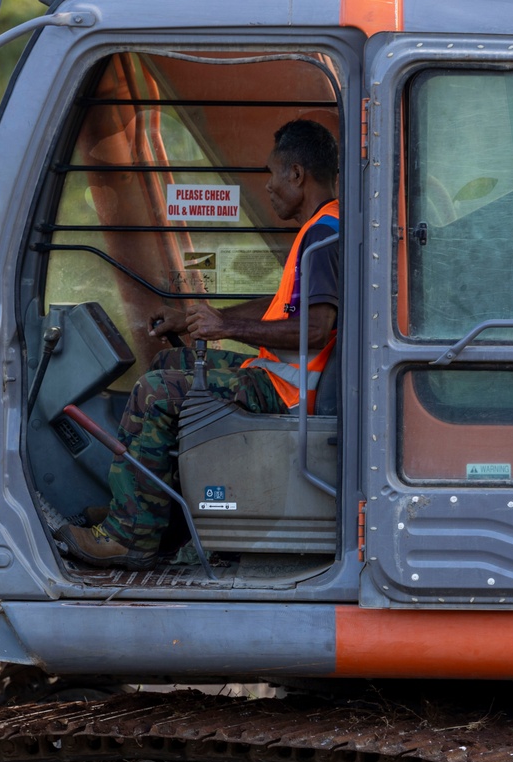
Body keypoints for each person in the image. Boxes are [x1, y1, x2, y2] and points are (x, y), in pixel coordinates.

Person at [56, 119, 340, 568]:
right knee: (169, 359)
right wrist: (200, 319)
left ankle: (130, 539)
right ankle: (140, 512)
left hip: (288, 393)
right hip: (279, 378)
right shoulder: (323, 229)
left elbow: (317, 329)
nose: (267, 187)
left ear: (297, 175)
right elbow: (282, 306)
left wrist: (225, 327)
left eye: (272, 174)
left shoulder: (323, 237)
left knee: (156, 392)